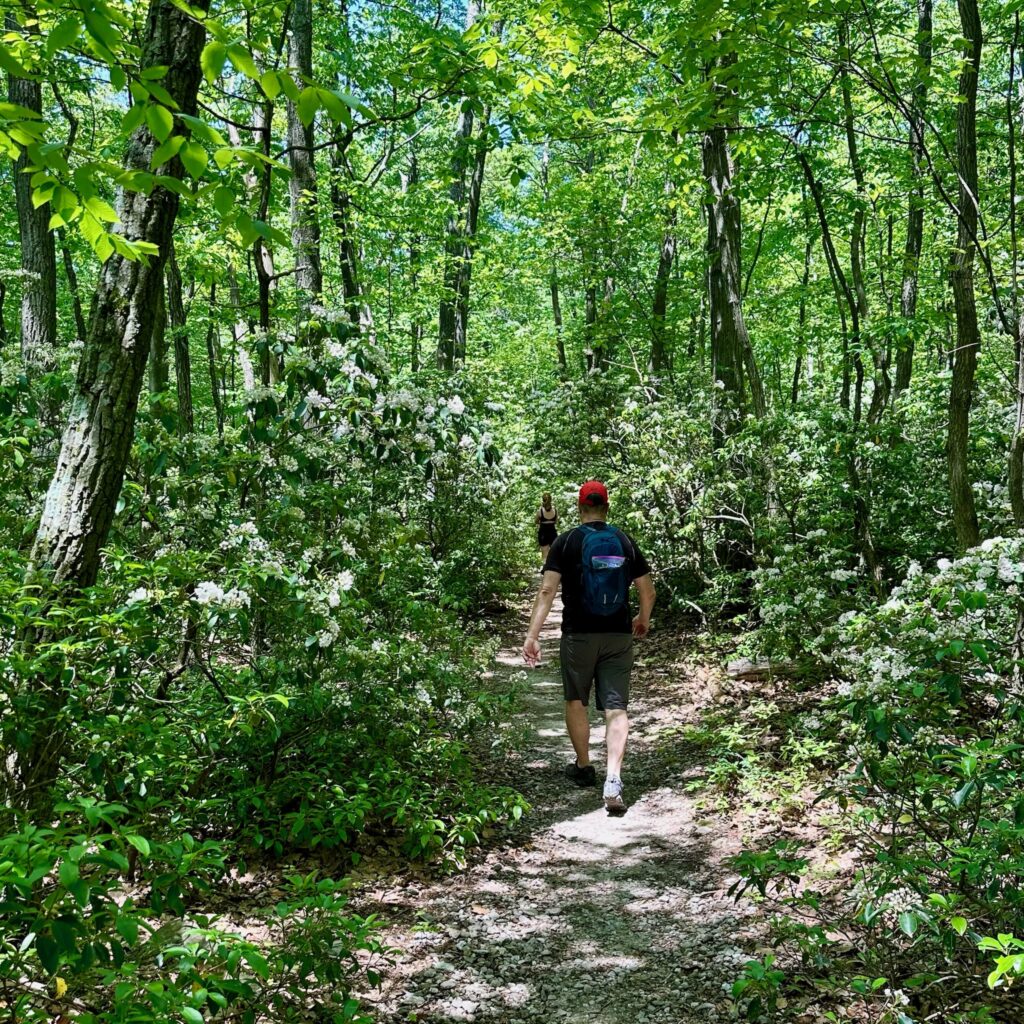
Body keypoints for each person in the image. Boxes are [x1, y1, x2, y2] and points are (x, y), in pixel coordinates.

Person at [522, 480, 655, 814]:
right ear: (606, 508)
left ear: (580, 508)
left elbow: (546, 592)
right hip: (618, 635)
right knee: (616, 706)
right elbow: (648, 590)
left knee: (576, 699)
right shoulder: (623, 540)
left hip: (578, 635)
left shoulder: (565, 542)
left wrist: (532, 635)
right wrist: (643, 618)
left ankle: (584, 766)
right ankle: (613, 779)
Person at [535, 492, 558, 564]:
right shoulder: (555, 510)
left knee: (545, 553)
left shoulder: (540, 511)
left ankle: (545, 569)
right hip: (552, 532)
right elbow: (556, 521)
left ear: (543, 500)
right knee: (554, 552)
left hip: (543, 532)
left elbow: (536, 521)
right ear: (551, 500)